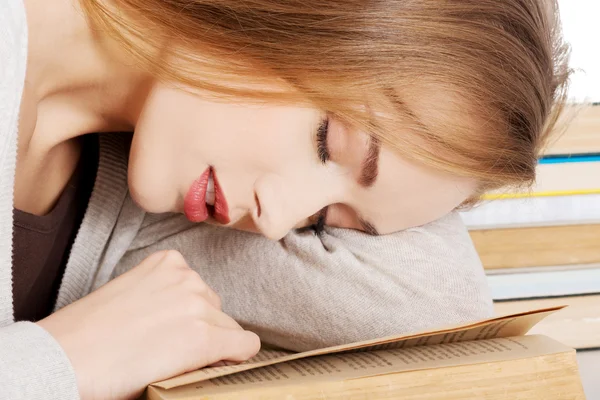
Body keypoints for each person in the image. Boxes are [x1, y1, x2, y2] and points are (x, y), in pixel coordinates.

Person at [0, 0, 570, 398]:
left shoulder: (148, 213)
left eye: (323, 221)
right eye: (326, 142)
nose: (276, 223)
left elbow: (440, 306)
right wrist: (64, 365)